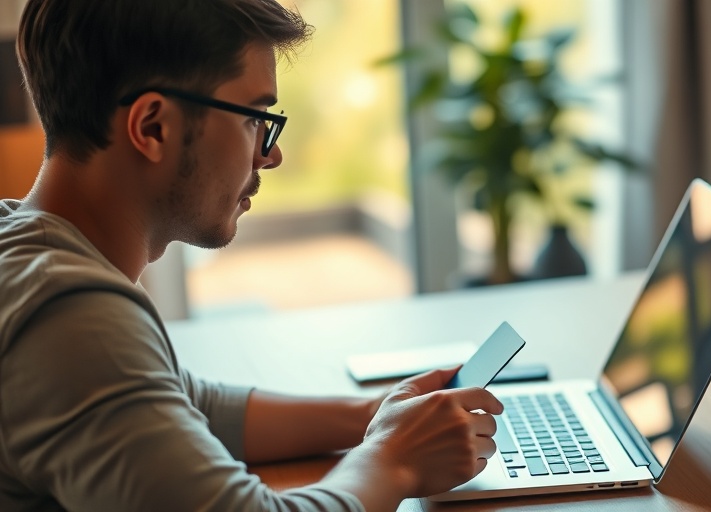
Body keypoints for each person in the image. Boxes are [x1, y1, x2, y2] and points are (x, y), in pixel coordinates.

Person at [0, 1, 503, 511]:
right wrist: (395, 459)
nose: (271, 154)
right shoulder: (69, 316)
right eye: (254, 118)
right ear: (153, 127)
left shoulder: (23, 251)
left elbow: (193, 403)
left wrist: (378, 414)